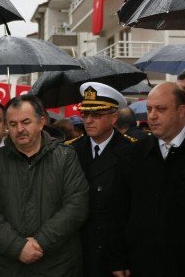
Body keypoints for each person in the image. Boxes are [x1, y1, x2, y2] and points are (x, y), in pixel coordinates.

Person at [0, 94, 89, 276]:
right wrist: (17, 246)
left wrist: (39, 243)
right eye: (13, 124)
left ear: (41, 122)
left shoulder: (65, 157)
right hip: (9, 266)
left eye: (26, 122)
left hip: (57, 266)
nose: (19, 129)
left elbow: (76, 206)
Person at [109, 83, 185, 276]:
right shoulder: (132, 155)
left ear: (181, 111)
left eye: (160, 109)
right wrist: (118, 259)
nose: (151, 116)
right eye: (149, 109)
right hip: (143, 264)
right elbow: (118, 211)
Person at [65, 82, 136, 277]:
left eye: (95, 115)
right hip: (79, 251)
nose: (88, 120)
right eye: (85, 114)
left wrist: (122, 256)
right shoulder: (70, 150)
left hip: (113, 254)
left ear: (114, 117)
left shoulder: (132, 151)